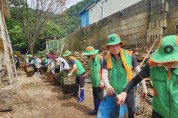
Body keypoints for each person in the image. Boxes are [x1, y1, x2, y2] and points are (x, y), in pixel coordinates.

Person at [116, 35, 178, 118]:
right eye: (165, 60)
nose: (168, 63)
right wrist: (124, 92)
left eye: (172, 60)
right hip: (159, 111)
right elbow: (135, 80)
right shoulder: (153, 66)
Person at [97, 33, 147, 118]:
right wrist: (108, 85)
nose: (115, 48)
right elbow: (104, 75)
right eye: (112, 46)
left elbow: (140, 73)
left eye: (117, 45)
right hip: (114, 91)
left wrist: (144, 86)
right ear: (108, 48)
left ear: (120, 45)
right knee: (117, 111)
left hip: (128, 90)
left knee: (130, 111)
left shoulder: (130, 56)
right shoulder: (105, 60)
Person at [82, 46, 104, 115]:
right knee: (95, 95)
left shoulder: (101, 59)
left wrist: (102, 81)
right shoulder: (91, 60)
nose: (88, 56)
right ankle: (96, 109)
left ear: (93, 53)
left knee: (100, 97)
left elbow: (105, 71)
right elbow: (91, 70)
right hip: (94, 82)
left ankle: (102, 112)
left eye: (89, 54)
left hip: (100, 82)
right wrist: (86, 74)